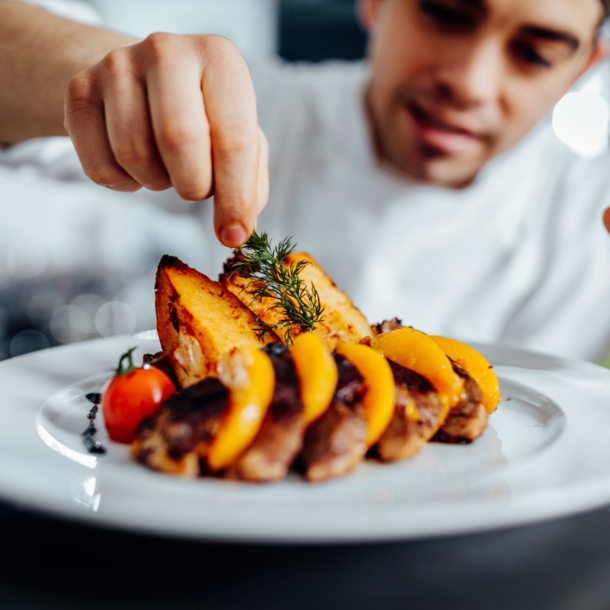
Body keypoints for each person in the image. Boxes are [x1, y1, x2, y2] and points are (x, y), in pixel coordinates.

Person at [1, 0, 610, 360]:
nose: (470, 83)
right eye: (445, 13)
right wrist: (105, 72)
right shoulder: (270, 110)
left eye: (534, 53)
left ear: (584, 68)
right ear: (376, 4)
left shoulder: (591, 207)